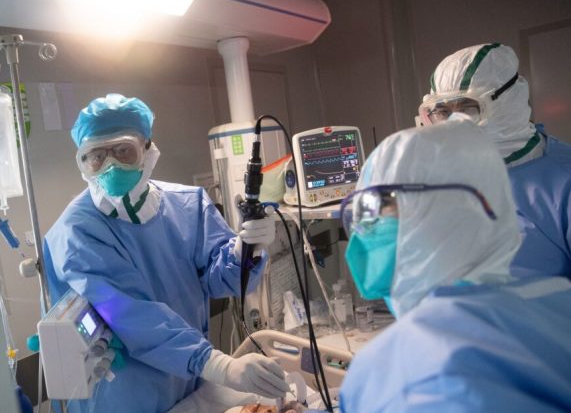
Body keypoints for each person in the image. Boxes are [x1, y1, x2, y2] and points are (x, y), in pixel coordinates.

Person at [42, 94, 288, 413]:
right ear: (83, 164)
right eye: (96, 156)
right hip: (122, 395)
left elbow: (222, 280)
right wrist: (219, 366)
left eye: (123, 151)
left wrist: (246, 250)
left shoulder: (187, 205)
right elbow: (128, 312)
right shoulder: (76, 231)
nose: (111, 165)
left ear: (147, 149)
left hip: (187, 383)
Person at [337, 120, 571, 412]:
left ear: (443, 210)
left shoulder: (402, 372)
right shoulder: (555, 305)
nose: (363, 229)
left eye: (376, 207)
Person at [418, 42, 571, 280]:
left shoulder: (563, 181)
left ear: (508, 101)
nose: (454, 125)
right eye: (443, 112)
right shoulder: (445, 176)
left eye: (468, 108)